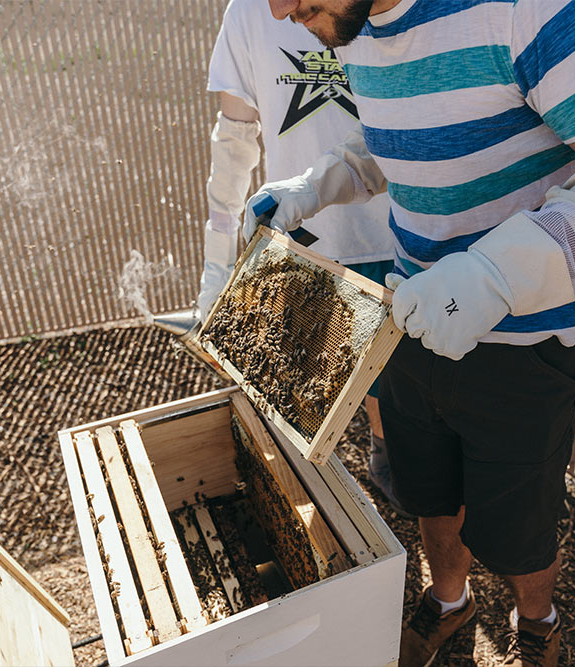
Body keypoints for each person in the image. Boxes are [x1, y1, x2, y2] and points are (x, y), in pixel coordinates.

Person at [243, 0, 575, 665]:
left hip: (528, 348)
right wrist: (316, 185)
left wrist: (495, 276)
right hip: (412, 317)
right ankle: (450, 600)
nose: (278, 9)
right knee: (427, 488)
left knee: (519, 526)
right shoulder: (353, 21)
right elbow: (396, 138)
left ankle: (536, 620)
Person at [195, 0, 410, 515]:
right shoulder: (251, 14)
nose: (282, 10)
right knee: (299, 395)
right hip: (300, 242)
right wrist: (217, 263)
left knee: (400, 405)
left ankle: (394, 467)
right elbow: (234, 142)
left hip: (401, 240)